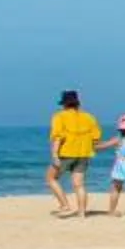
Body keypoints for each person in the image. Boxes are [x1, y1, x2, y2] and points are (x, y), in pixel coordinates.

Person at [48, 89, 102, 219]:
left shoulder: (59, 116)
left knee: (51, 178)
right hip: (83, 154)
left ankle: (64, 205)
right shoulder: (89, 117)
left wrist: (55, 155)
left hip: (66, 153)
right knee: (79, 185)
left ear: (64, 104)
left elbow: (58, 137)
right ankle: (82, 213)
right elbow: (96, 138)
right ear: (77, 103)